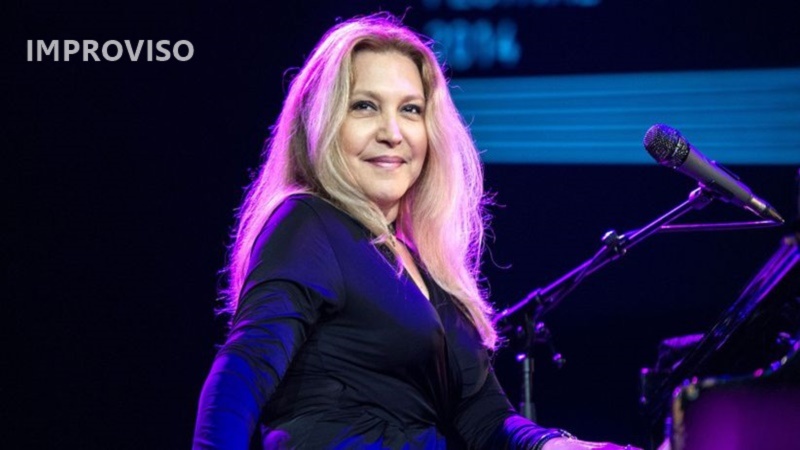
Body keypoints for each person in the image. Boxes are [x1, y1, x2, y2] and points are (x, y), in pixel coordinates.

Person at [193, 13, 640, 450]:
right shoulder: (309, 223)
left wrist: (563, 446)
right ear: (321, 122)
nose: (392, 132)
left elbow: (485, 418)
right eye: (365, 106)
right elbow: (245, 368)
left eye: (410, 110)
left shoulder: (423, 267)